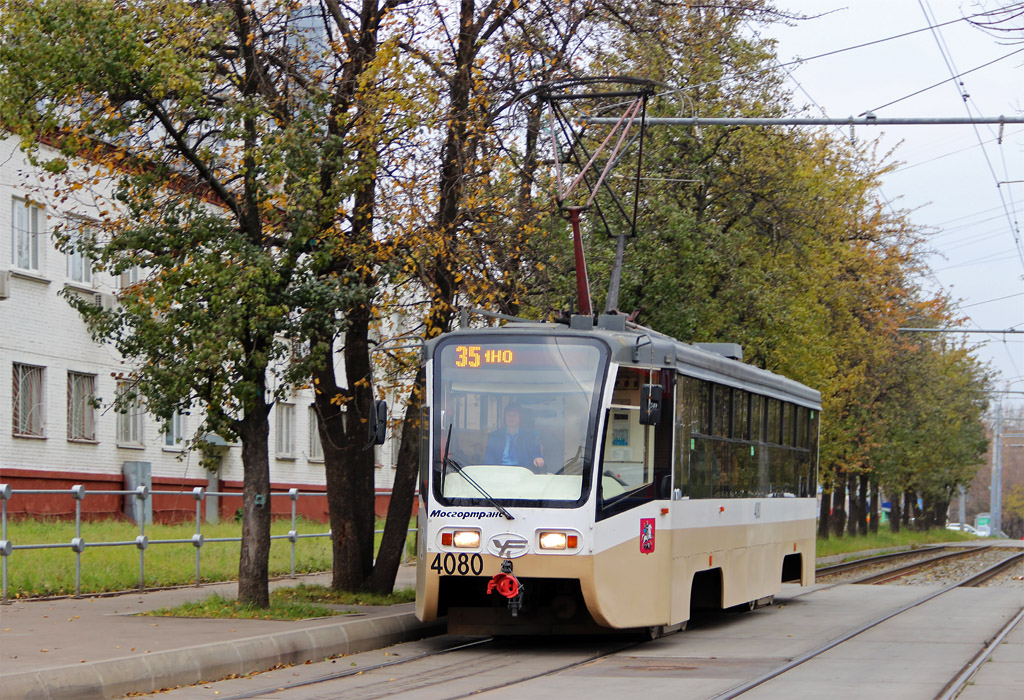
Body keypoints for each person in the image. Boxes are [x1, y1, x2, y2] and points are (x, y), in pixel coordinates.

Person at [484, 403, 545, 471]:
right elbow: (489, 457)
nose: (511, 418)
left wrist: (537, 458)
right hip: (500, 471)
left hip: (522, 472)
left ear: (520, 417)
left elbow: (535, 452)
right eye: (508, 415)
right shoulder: (495, 436)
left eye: (514, 415)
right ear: (504, 417)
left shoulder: (529, 436)